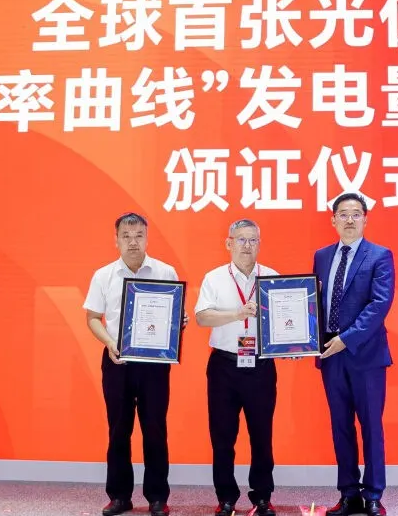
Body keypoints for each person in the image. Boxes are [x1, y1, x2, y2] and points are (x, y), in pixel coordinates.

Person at [84, 212, 187, 516]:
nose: (133, 241)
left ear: (147, 238)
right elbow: (93, 318)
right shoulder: (103, 275)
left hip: (154, 365)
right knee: (118, 430)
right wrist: (109, 342)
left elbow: (174, 314)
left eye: (139, 235)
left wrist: (178, 321)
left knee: (155, 429)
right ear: (116, 240)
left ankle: (157, 496)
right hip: (117, 360)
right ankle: (119, 496)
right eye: (126, 236)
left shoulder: (165, 272)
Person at [313, 193, 395, 516]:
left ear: (365, 219)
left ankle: (373, 494)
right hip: (330, 355)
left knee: (371, 426)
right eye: (343, 214)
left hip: (366, 355)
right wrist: (305, 339)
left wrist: (346, 340)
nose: (349, 220)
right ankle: (348, 494)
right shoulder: (321, 256)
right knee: (341, 427)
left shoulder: (380, 256)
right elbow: (314, 303)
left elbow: (379, 304)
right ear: (333, 220)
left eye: (356, 214)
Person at [195, 219, 280, 516]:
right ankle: (226, 497)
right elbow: (202, 317)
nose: (247, 245)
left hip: (261, 366)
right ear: (228, 243)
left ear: (259, 244)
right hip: (224, 366)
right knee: (222, 437)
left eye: (253, 240)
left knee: (262, 436)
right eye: (241, 239)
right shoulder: (214, 278)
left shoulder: (272, 277)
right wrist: (237, 313)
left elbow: (284, 321)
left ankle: (262, 497)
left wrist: (293, 345)